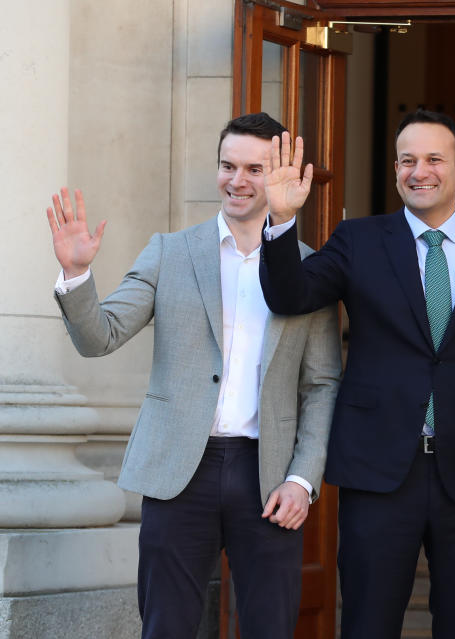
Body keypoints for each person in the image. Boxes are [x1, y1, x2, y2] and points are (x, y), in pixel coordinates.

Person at [45, 112, 342, 639]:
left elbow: (321, 385)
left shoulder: (309, 268)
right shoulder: (170, 251)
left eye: (254, 168)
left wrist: (302, 479)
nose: (238, 181)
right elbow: (100, 338)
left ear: (277, 176)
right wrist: (76, 275)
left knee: (270, 627)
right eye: (228, 166)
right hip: (180, 469)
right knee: (166, 626)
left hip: (268, 474)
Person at [258, 109, 455, 639]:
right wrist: (283, 221)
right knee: (368, 625)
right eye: (407, 160)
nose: (418, 171)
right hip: (377, 475)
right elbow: (290, 295)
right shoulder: (357, 241)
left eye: (433, 159)